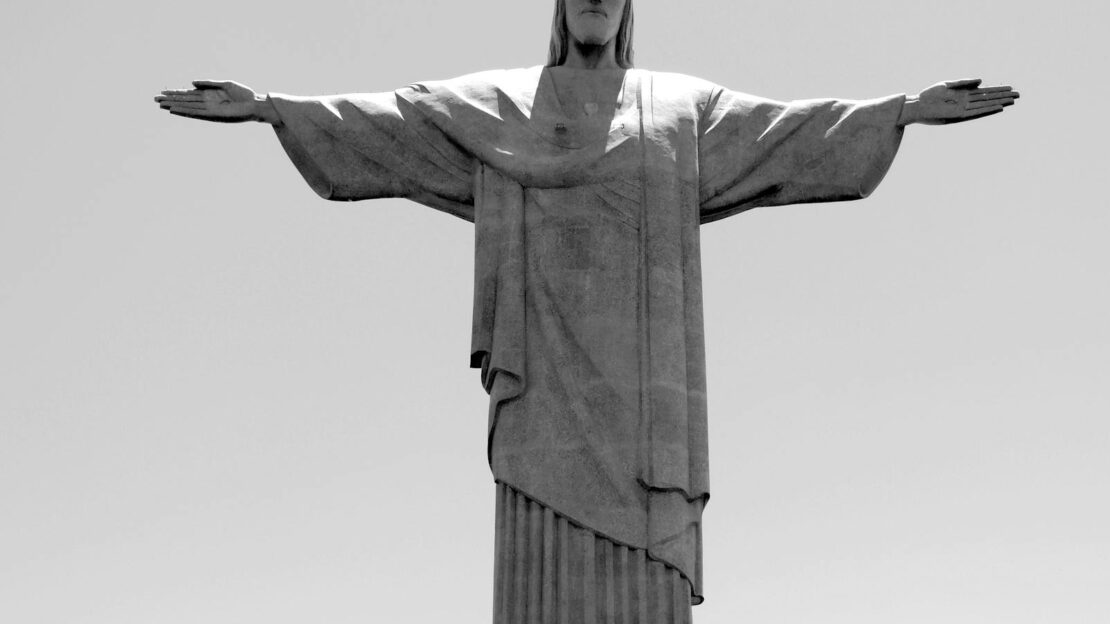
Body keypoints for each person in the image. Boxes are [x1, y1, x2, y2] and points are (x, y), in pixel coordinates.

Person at [155, 1, 1019, 622]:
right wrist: (271, 108)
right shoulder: (499, 106)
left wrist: (901, 112)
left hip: (647, 409)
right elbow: (394, 123)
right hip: (542, 390)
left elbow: (786, 132)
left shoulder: (679, 107)